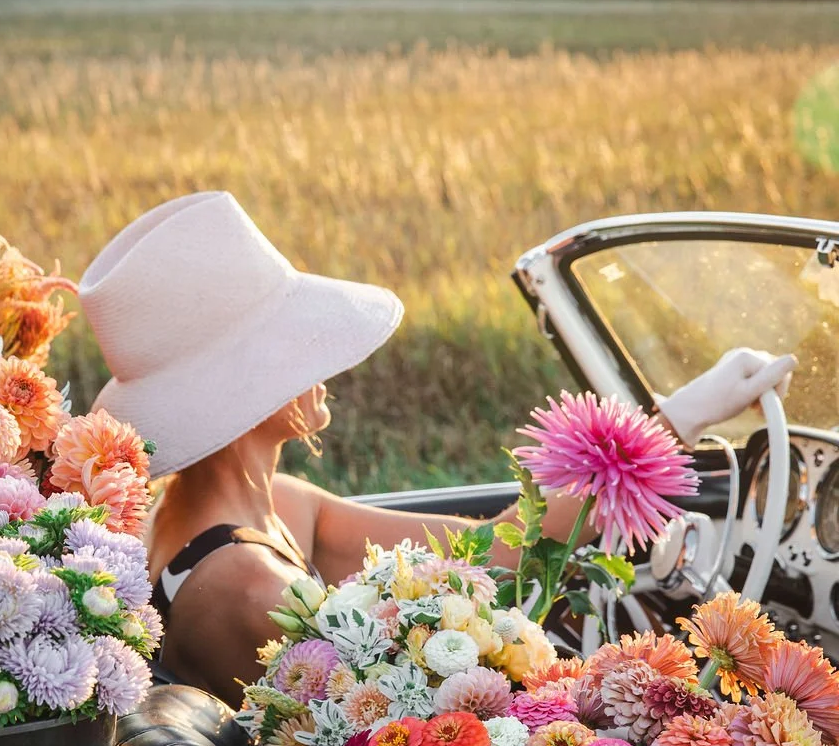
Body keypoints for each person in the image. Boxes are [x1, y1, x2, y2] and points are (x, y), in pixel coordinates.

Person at [80, 192, 796, 706]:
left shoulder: (269, 509)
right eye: (294, 347)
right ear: (243, 388)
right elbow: (418, 702)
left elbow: (486, 551)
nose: (322, 365)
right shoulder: (244, 582)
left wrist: (668, 424)